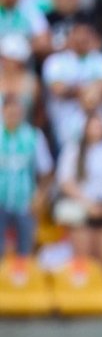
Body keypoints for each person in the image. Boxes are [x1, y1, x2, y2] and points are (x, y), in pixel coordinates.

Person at [56, 113, 102, 268]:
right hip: (82, 207)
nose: (97, 129)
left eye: (100, 126)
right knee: (84, 262)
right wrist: (88, 204)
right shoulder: (73, 150)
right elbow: (65, 182)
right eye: (93, 126)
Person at [0, 97, 51, 257]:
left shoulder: (34, 136)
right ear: (3, 112)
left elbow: (46, 171)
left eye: (16, 112)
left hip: (26, 202)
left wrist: (40, 196)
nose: (12, 116)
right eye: (9, 112)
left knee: (25, 251)